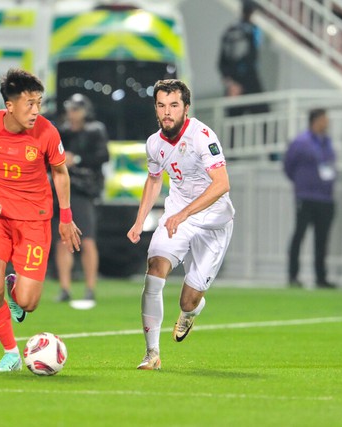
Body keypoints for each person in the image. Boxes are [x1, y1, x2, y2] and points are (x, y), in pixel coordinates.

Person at [0, 68, 81, 372]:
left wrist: (66, 218)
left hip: (34, 221)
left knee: (28, 303)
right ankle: (11, 352)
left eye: (39, 103)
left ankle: (16, 289)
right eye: (29, 104)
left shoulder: (47, 132)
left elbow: (61, 172)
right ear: (9, 106)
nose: (36, 110)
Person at [127, 79, 235, 370]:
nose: (167, 112)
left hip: (212, 222)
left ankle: (192, 311)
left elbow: (222, 184)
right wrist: (139, 222)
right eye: (161, 106)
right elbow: (153, 180)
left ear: (186, 108)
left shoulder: (202, 136)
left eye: (174, 105)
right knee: (154, 271)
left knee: (188, 300)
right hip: (177, 217)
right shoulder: (154, 143)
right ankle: (152, 354)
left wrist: (185, 213)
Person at [54, 94, 110, 303]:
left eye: (77, 109)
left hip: (84, 191)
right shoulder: (62, 131)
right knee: (61, 241)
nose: (73, 112)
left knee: (86, 240)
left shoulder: (95, 130)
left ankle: (89, 288)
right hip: (62, 190)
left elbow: (103, 156)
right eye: (70, 108)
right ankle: (65, 288)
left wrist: (75, 159)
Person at [284, 108, 337, 289]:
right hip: (306, 196)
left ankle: (321, 278)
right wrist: (302, 184)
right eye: (324, 119)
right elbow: (288, 166)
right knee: (299, 235)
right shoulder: (301, 142)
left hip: (325, 197)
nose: (327, 123)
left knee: (322, 239)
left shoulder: (327, 142)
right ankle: (293, 276)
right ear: (316, 120)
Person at [217, 0, 268, 117]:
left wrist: (230, 83)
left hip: (234, 82)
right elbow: (249, 58)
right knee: (264, 114)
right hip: (248, 80)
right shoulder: (251, 31)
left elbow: (221, 63)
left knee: (233, 123)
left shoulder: (229, 31)